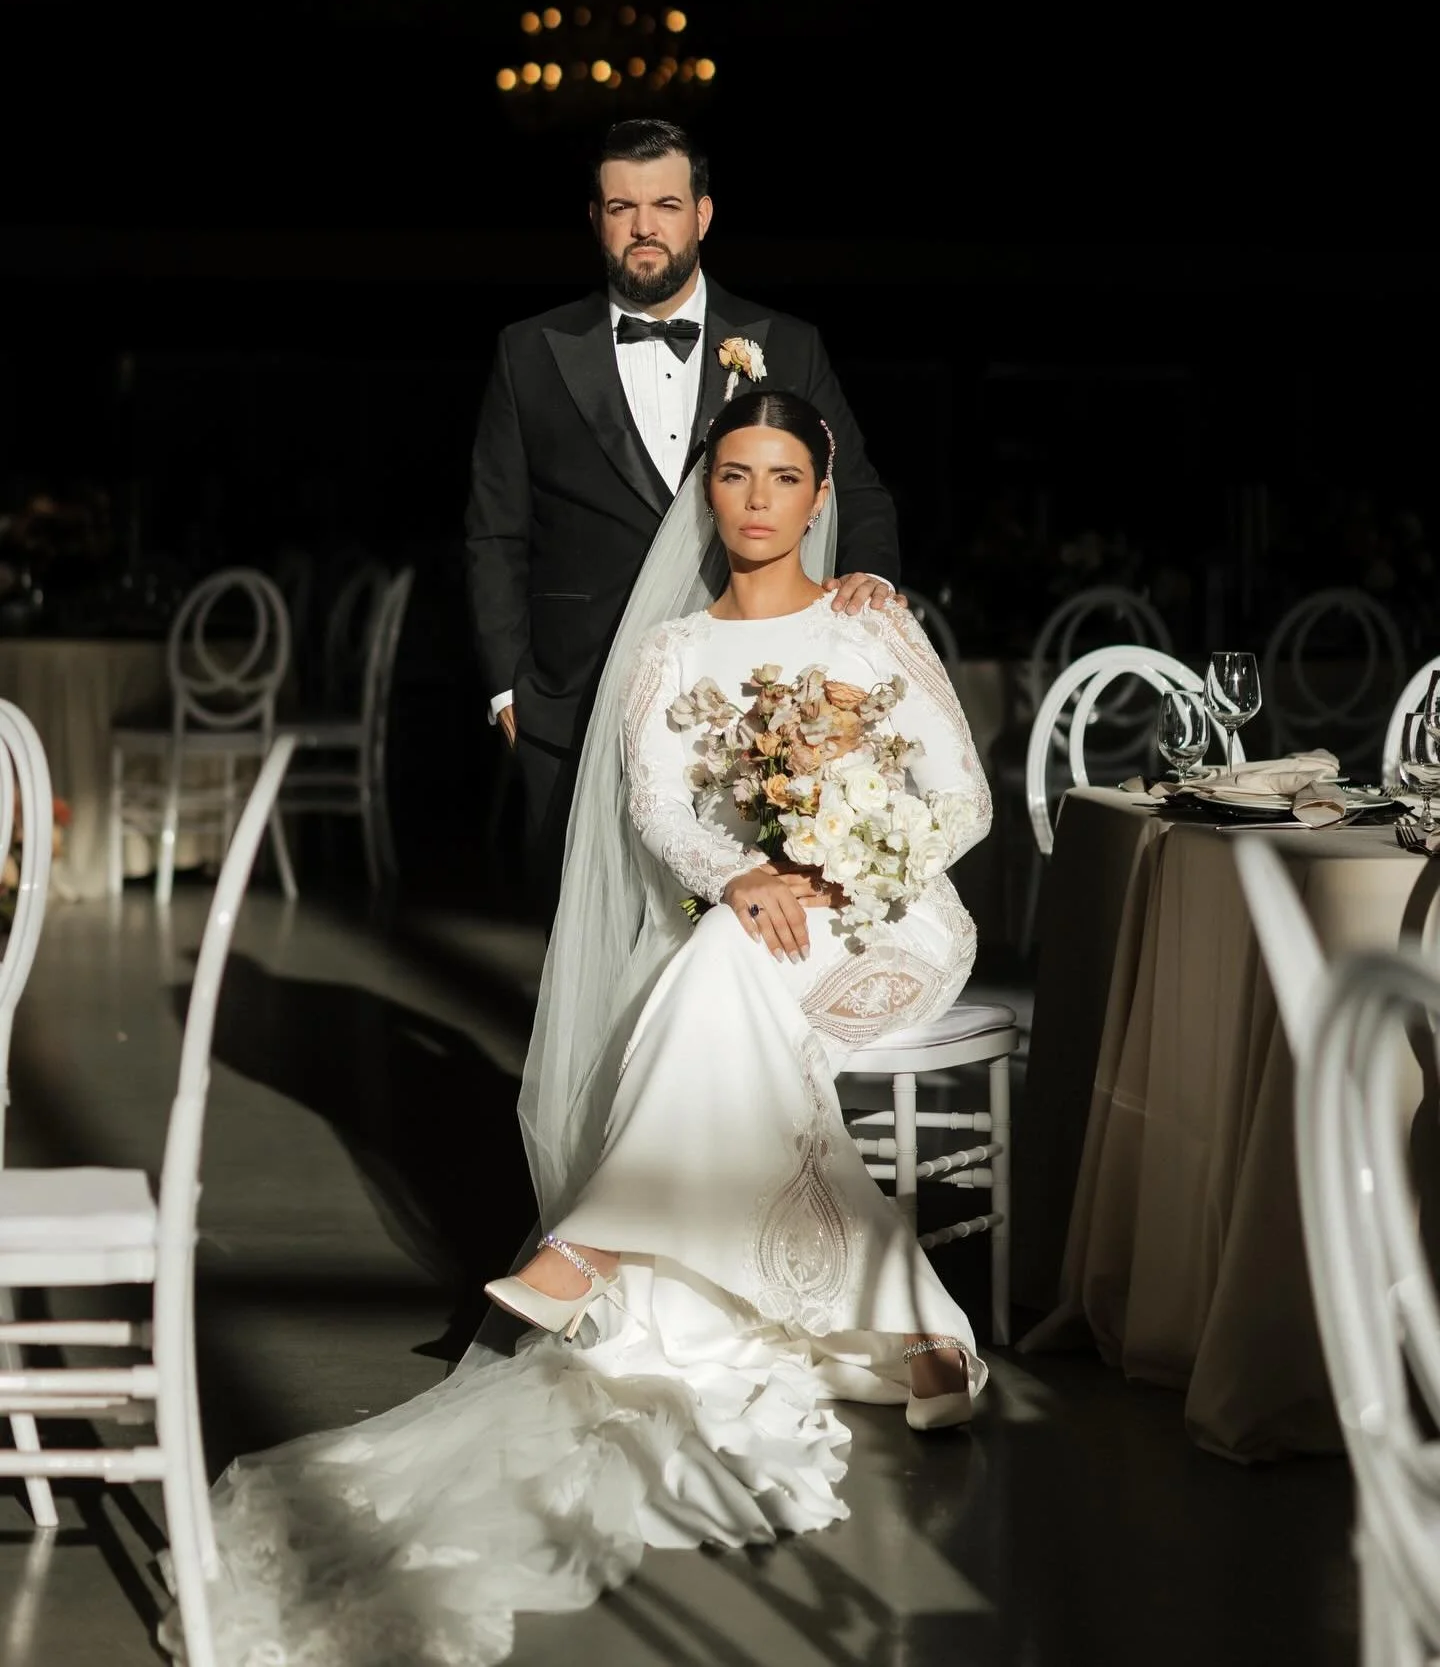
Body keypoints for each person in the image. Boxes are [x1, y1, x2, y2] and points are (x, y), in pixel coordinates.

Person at [163, 391, 992, 1667]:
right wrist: (745, 872)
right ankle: (919, 1326)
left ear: (820, 497)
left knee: (721, 977)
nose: (759, 497)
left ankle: (600, 1241)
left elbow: (967, 801)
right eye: (734, 472)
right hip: (752, 919)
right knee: (723, 964)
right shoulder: (667, 652)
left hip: (892, 922)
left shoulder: (874, 621)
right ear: (706, 492)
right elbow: (662, 808)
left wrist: (848, 851)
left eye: (784, 475)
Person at [465, 117, 904, 922]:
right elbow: (496, 530)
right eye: (621, 207)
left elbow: (860, 490)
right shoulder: (530, 352)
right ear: (595, 219)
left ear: (702, 214)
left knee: (731, 934)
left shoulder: (787, 343)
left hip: (748, 702)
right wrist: (505, 689)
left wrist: (868, 579)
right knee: (590, 935)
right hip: (574, 696)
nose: (643, 227)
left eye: (664, 204)